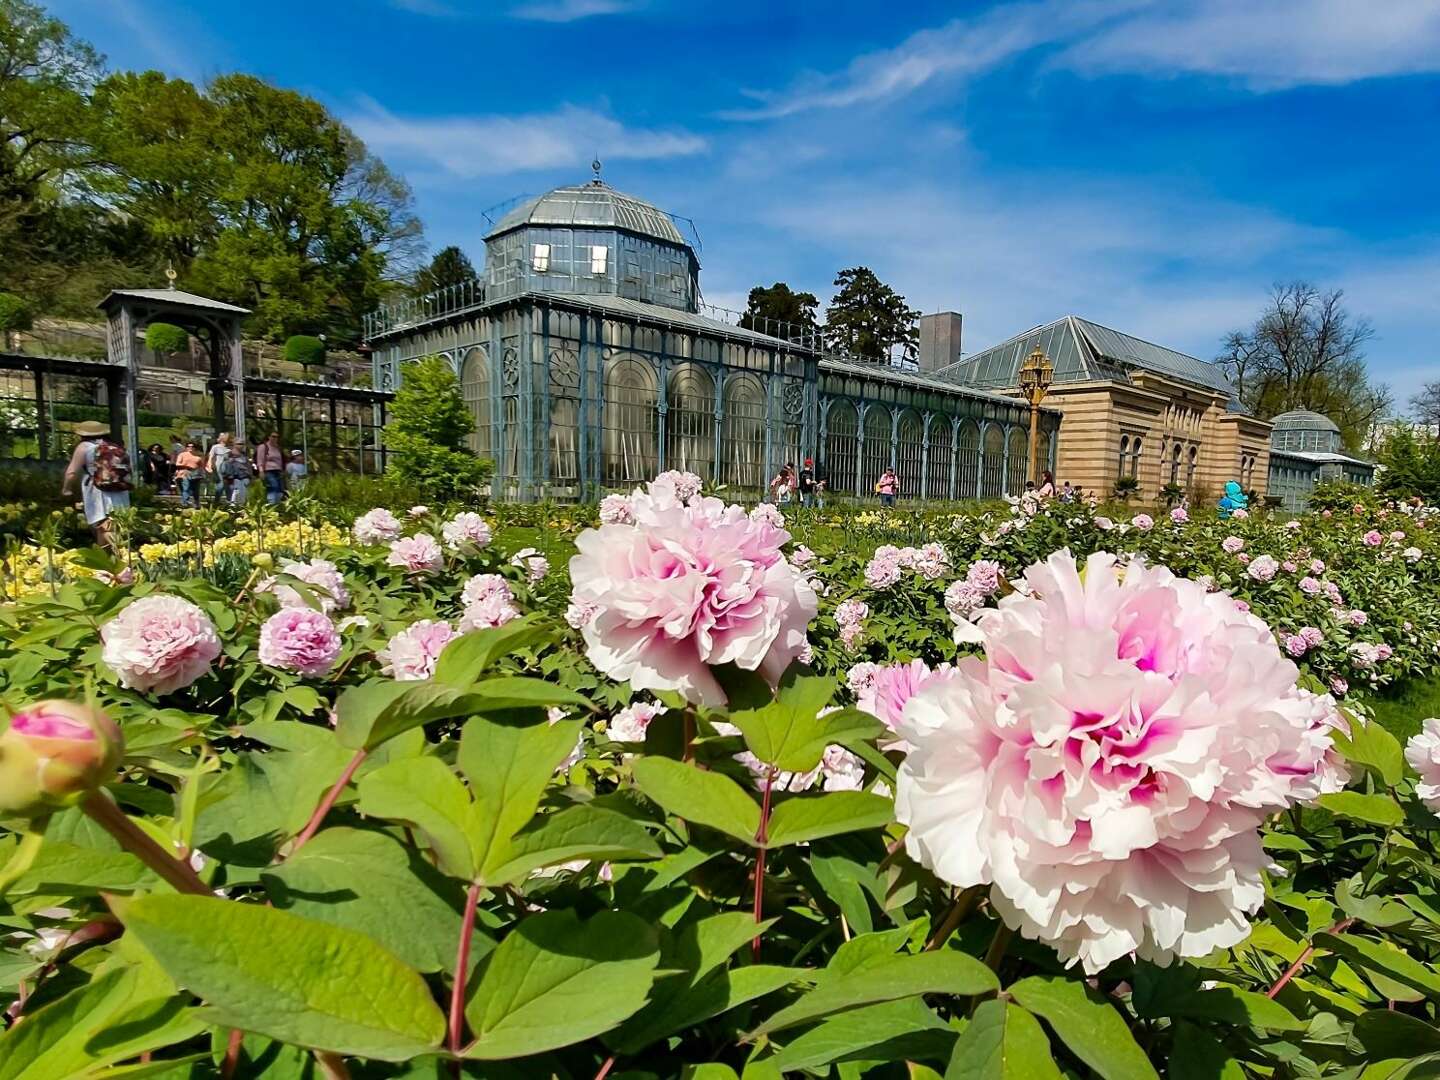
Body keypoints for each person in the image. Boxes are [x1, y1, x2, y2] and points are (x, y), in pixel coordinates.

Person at [61, 420, 131, 551]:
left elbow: (71, 472)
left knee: (103, 523)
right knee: (115, 522)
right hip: (120, 489)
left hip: (98, 490)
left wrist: (66, 489)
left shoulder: (84, 447)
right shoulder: (113, 446)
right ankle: (116, 556)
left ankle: (113, 558)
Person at [256, 431, 285, 504]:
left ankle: (278, 505)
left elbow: (280, 460)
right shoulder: (263, 447)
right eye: (273, 436)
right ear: (269, 437)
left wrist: (282, 470)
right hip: (269, 471)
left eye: (277, 437)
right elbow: (260, 460)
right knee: (273, 486)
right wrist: (261, 471)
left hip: (278, 471)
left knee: (279, 489)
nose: (275, 438)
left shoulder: (277, 447)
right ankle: (271, 504)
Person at [174, 441, 205, 508]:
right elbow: (177, 463)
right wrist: (187, 466)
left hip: (195, 475)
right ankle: (185, 503)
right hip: (184, 473)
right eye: (189, 446)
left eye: (192, 446)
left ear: (195, 448)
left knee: (196, 490)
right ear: (186, 447)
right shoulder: (182, 454)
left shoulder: (198, 457)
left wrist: (202, 475)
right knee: (186, 488)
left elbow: (201, 467)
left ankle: (196, 503)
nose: (190, 448)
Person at [223, 438, 254, 505]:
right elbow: (225, 468)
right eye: (239, 444)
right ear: (234, 444)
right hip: (233, 478)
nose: (241, 445)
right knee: (233, 496)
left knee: (243, 496)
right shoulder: (228, 455)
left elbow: (248, 466)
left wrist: (251, 476)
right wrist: (226, 477)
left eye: (242, 444)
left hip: (244, 478)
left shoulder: (245, 455)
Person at [206, 433, 232, 506]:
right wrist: (209, 466)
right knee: (220, 486)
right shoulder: (215, 447)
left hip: (228, 470)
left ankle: (229, 503)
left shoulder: (230, 448)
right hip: (218, 469)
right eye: (226, 437)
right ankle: (216, 502)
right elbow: (211, 457)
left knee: (228, 486)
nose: (228, 439)